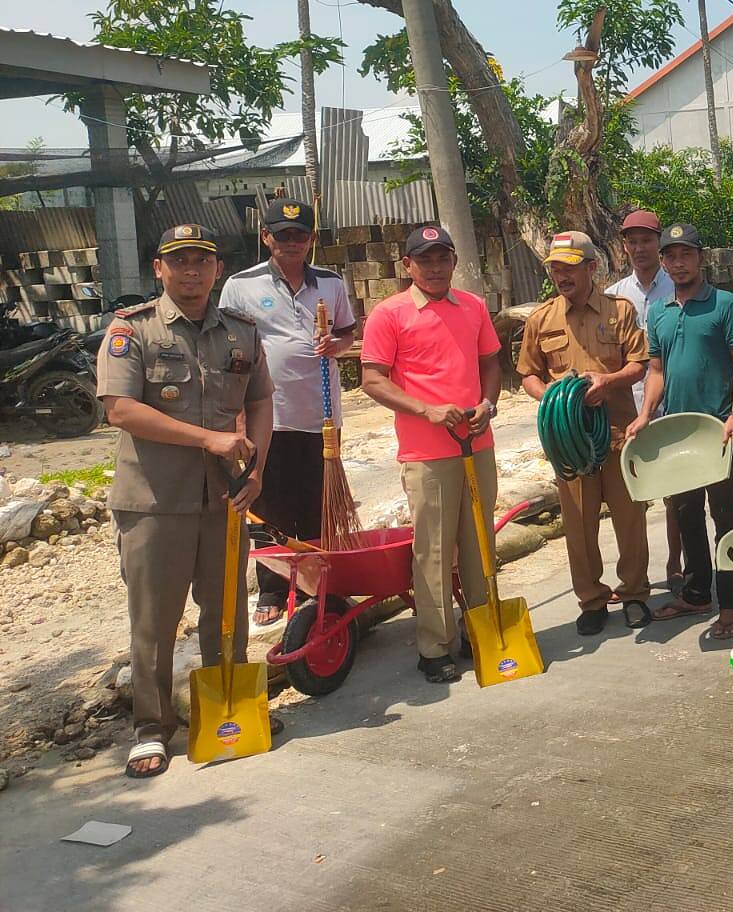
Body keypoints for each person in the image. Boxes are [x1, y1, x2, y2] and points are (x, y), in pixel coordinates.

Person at [97, 223, 274, 779]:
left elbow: (261, 400)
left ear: (218, 269)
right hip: (155, 502)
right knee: (155, 621)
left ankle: (229, 707)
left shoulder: (241, 331)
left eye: (202, 261)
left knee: (227, 614)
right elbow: (120, 409)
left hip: (224, 497)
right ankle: (151, 729)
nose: (191, 271)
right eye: (179, 261)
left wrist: (257, 470)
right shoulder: (133, 331)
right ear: (159, 269)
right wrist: (209, 439)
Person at [360, 225, 502, 685]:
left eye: (443, 258)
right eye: (425, 260)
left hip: (476, 445)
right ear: (408, 265)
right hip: (427, 453)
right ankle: (435, 646)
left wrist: (488, 404)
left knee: (479, 544)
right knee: (434, 551)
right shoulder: (389, 314)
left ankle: (482, 630)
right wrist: (427, 410)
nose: (436, 267)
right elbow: (373, 380)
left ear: (454, 261)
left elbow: (490, 362)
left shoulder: (473, 306)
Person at [218, 198, 357, 625]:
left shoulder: (330, 283)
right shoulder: (241, 285)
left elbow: (348, 332)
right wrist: (236, 415)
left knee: (317, 502)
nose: (291, 243)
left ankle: (320, 585)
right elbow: (227, 347)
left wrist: (337, 345)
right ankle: (273, 588)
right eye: (282, 235)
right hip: (267, 415)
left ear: (311, 239)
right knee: (268, 502)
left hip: (320, 415)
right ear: (266, 237)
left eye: (299, 235)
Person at [518, 230, 652, 635]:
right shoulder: (541, 319)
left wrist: (607, 382)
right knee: (578, 526)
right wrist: (553, 397)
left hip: (617, 436)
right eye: (555, 269)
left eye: (570, 268)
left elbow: (639, 364)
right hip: (571, 445)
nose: (561, 276)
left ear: (591, 268)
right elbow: (528, 374)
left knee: (630, 520)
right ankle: (592, 600)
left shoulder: (619, 311)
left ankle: (634, 594)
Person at [625, 223, 733, 639]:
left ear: (700, 258)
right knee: (686, 512)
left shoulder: (725, 304)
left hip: (718, 430)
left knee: (725, 514)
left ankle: (730, 604)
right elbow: (656, 370)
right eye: (671, 256)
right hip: (677, 434)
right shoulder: (659, 312)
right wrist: (645, 414)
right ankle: (696, 593)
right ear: (663, 262)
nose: (678, 263)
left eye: (686, 255)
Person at [605, 208, 681, 587]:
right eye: (632, 241)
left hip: (672, 408)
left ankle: (676, 567)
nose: (639, 248)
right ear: (624, 246)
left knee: (677, 498)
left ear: (659, 243)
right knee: (631, 500)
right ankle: (635, 578)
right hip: (628, 411)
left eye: (647, 240)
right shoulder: (615, 296)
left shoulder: (679, 287)